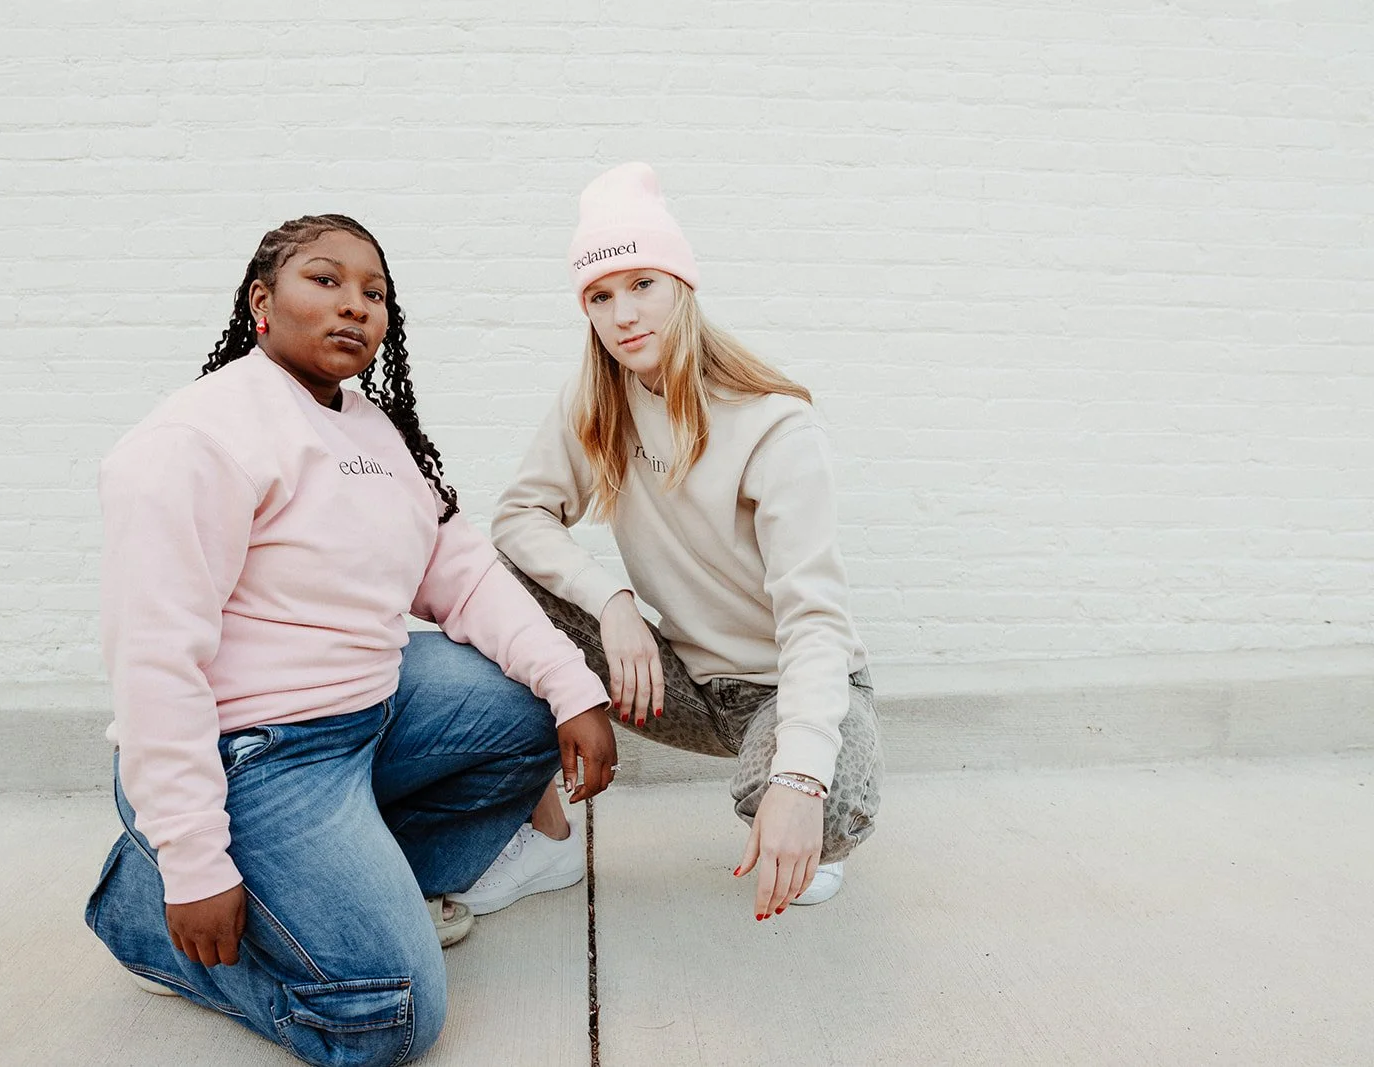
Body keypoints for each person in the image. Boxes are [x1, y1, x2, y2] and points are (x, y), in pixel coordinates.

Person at [84, 213, 617, 1067]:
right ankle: (142, 910)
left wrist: (573, 683)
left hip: (369, 717)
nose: (356, 306)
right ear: (261, 302)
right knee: (391, 1018)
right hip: (254, 757)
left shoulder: (376, 431)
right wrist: (192, 862)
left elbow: (466, 575)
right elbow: (154, 661)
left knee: (528, 705)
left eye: (374, 292)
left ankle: (354, 890)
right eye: (324, 280)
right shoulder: (197, 439)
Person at [462, 163, 881, 925]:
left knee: (819, 799)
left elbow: (815, 622)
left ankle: (805, 812)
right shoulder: (596, 400)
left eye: (642, 283)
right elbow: (519, 518)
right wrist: (610, 599)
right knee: (492, 580)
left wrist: (798, 782)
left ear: (682, 284)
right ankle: (546, 836)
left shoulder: (774, 425)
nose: (623, 314)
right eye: (600, 295)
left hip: (786, 685)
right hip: (677, 681)